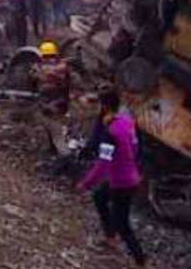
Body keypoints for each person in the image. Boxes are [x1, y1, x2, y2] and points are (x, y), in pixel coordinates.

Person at [77, 91, 146, 266]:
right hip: (130, 176)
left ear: (105, 106)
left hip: (121, 182)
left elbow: (102, 164)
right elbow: (136, 148)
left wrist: (86, 183)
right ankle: (110, 238)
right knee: (99, 197)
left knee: (123, 224)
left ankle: (140, 261)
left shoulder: (110, 133)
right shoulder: (127, 123)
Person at [31, 41, 71, 159]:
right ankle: (53, 149)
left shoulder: (43, 70)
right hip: (58, 104)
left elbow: (34, 79)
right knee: (51, 129)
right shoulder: (62, 68)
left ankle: (66, 158)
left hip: (52, 106)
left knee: (57, 134)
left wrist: (36, 71)